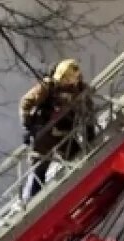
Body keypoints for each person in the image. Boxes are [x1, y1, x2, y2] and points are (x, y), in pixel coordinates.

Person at [19, 59, 97, 200]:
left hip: (64, 134)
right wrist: (29, 125)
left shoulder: (80, 91)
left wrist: (90, 136)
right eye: (63, 78)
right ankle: (29, 202)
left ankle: (85, 194)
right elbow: (26, 103)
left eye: (68, 79)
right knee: (39, 170)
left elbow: (89, 114)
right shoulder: (48, 86)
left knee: (78, 159)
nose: (65, 82)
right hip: (44, 133)